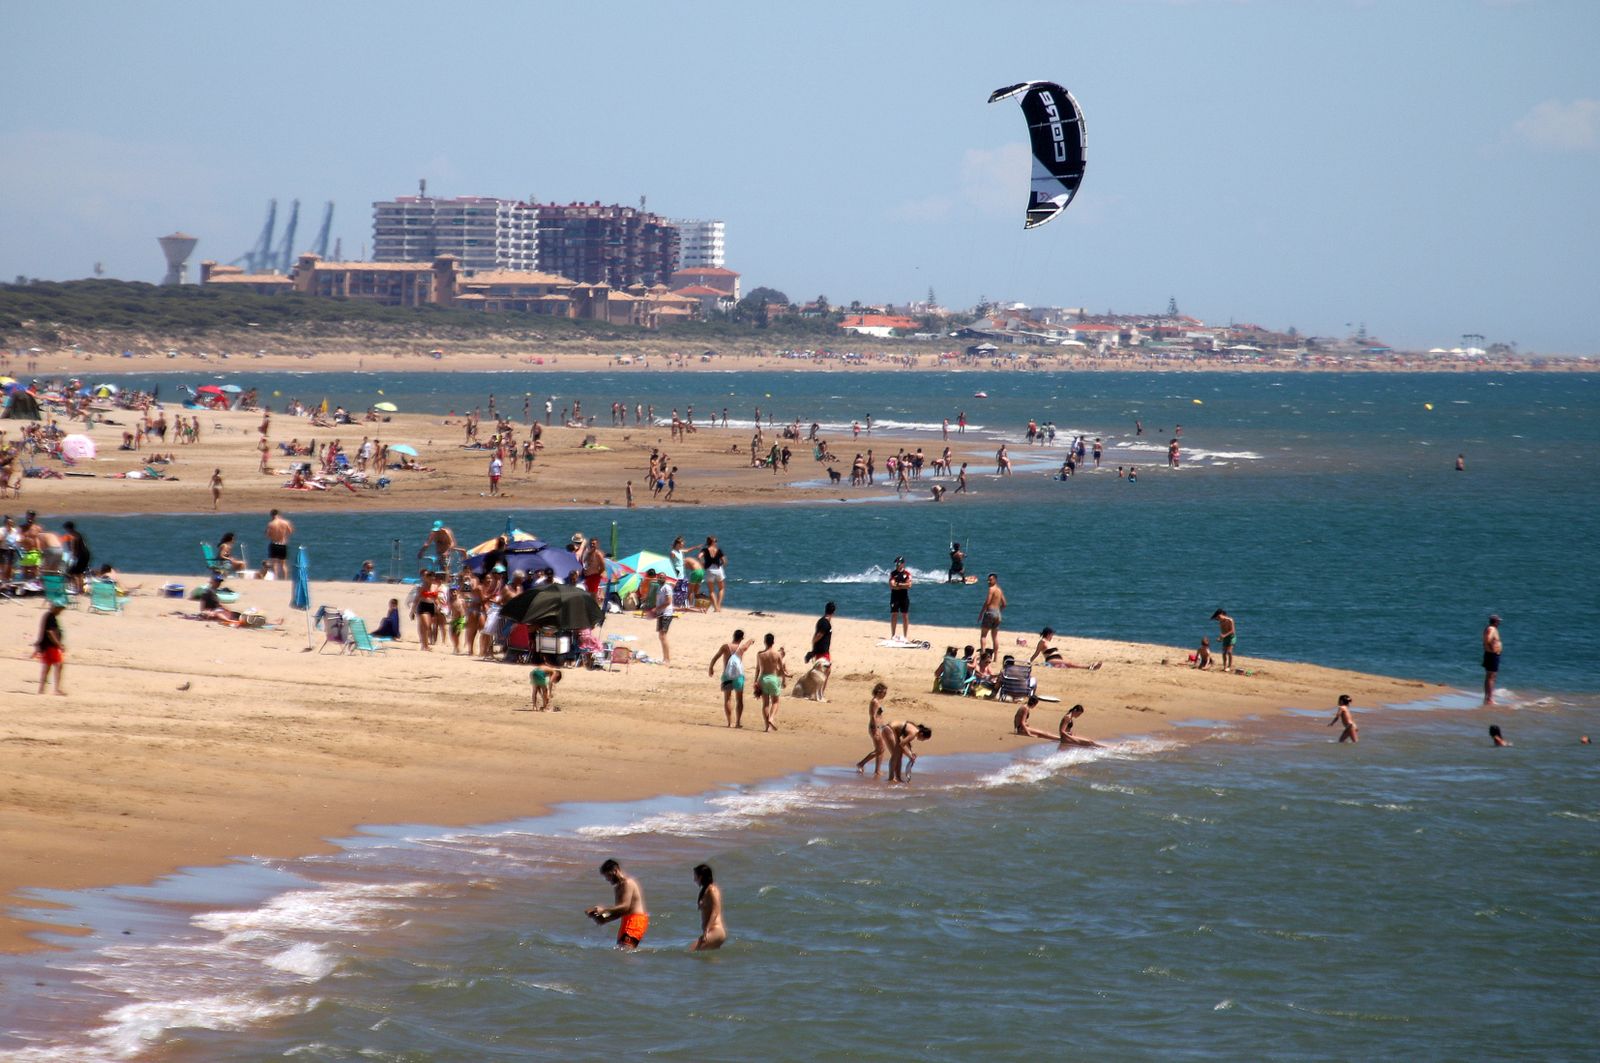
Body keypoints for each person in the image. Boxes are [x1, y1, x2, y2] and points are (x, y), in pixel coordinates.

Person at [586, 858, 649, 950]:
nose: (607, 879)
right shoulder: (618, 888)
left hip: (636, 920)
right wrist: (602, 918)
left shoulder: (628, 883)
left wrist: (603, 910)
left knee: (625, 952)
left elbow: (625, 906)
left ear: (615, 871)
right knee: (622, 951)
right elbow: (619, 912)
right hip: (626, 921)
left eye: (608, 876)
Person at [709, 629, 754, 727]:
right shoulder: (742, 648)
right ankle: (738, 722)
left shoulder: (725, 647)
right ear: (741, 638)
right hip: (739, 675)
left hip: (727, 675)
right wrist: (751, 640)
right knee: (739, 699)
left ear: (733, 635)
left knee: (728, 699)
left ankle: (730, 722)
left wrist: (711, 668)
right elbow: (748, 643)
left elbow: (715, 657)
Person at [855, 682, 891, 776]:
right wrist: (876, 729)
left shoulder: (878, 701)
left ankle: (877, 770)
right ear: (879, 692)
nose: (885, 695)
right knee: (880, 749)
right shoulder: (874, 702)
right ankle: (861, 764)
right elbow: (873, 716)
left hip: (880, 727)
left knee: (881, 749)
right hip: (875, 728)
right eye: (884, 693)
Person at [755, 633, 788, 731]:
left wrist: (755, 682)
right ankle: (771, 718)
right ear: (773, 642)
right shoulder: (777, 654)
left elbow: (757, 669)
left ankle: (767, 727)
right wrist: (784, 680)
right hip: (773, 678)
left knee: (765, 704)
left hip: (763, 679)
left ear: (765, 642)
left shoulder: (760, 654)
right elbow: (781, 669)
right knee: (775, 701)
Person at [805, 602, 836, 701]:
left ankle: (817, 694)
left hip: (821, 651)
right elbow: (819, 635)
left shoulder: (822, 621)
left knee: (822, 672)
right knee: (825, 672)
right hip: (822, 651)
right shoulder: (825, 623)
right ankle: (819, 695)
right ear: (833, 612)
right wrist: (813, 644)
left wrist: (813, 649)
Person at [691, 864, 726, 951]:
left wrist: (707, 929)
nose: (694, 879)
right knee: (710, 962)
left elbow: (716, 910)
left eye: (695, 876)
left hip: (715, 930)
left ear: (701, 877)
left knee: (691, 951)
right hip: (711, 931)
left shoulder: (712, 890)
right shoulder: (705, 890)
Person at [35, 602, 66, 695]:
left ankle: (42, 689)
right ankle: (56, 689)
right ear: (55, 608)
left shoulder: (48, 616)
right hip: (51, 646)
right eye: (60, 609)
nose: (60, 612)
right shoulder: (51, 617)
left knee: (47, 668)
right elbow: (50, 632)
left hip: (47, 646)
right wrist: (59, 644)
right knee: (59, 665)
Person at [978, 573, 1006, 654]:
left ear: (995, 580)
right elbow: (1004, 604)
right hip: (997, 614)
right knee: (995, 637)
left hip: (990, 612)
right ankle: (996, 657)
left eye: (990, 580)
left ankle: (983, 654)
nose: (989, 582)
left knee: (983, 635)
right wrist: (998, 611)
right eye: (988, 580)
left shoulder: (991, 589)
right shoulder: (999, 590)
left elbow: (987, 602)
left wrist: (981, 613)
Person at [651, 569, 674, 665]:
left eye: (663, 577)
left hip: (666, 614)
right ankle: (664, 658)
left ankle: (667, 659)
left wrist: (657, 609)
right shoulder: (660, 587)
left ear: (665, 578)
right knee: (661, 636)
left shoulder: (667, 587)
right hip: (661, 613)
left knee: (663, 636)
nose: (661, 579)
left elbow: (668, 601)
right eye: (659, 577)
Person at [701, 535, 728, 612]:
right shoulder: (718, 550)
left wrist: (703, 564)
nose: (716, 542)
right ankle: (719, 606)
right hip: (718, 569)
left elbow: (699, 556)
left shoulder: (705, 550)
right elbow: (724, 561)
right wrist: (722, 564)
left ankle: (716, 607)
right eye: (715, 541)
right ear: (713, 542)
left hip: (709, 570)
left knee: (711, 591)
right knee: (721, 588)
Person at [265, 508, 294, 579]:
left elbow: (267, 535)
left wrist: (273, 535)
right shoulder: (286, 522)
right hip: (283, 544)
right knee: (283, 564)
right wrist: (284, 535)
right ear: (279, 514)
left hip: (274, 544)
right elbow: (290, 531)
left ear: (271, 515)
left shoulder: (271, 524)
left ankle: (276, 578)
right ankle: (285, 579)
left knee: (274, 563)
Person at [888, 556, 912, 639]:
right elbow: (892, 585)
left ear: (902, 564)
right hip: (895, 596)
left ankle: (905, 636)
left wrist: (899, 584)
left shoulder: (907, 574)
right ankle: (893, 635)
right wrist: (901, 585)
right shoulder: (893, 573)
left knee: (905, 615)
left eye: (898, 563)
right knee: (894, 614)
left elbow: (909, 585)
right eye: (896, 564)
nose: (897, 565)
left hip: (904, 597)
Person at [1482, 615, 1502, 705]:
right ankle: (1490, 698)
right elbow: (1488, 639)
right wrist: (1492, 649)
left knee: (1488, 676)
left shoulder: (1488, 628)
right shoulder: (1492, 629)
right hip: (1492, 655)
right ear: (1496, 622)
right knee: (1492, 677)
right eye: (1499, 621)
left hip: (1489, 654)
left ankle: (1487, 697)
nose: (1499, 623)